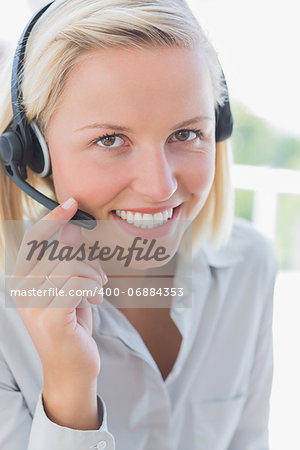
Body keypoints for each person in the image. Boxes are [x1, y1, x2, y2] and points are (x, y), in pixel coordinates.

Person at [0, 1, 277, 449]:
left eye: (186, 134)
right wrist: (69, 387)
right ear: (34, 153)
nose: (159, 187)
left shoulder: (250, 265)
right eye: (110, 140)